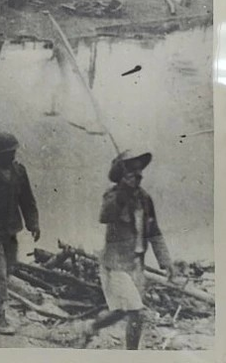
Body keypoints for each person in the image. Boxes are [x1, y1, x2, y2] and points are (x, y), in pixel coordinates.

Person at [75, 150, 174, 350]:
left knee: (122, 311)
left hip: (136, 265)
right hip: (115, 264)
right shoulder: (113, 195)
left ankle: (91, 327)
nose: (137, 175)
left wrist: (166, 262)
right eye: (131, 170)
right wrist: (123, 192)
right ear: (122, 174)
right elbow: (105, 216)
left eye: (139, 170)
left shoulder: (145, 199)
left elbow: (154, 232)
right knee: (136, 312)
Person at [0, 132, 40, 335]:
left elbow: (27, 200)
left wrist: (33, 224)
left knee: (8, 268)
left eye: (12, 152)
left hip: (11, 229)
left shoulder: (20, 172)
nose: (11, 156)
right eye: (6, 153)